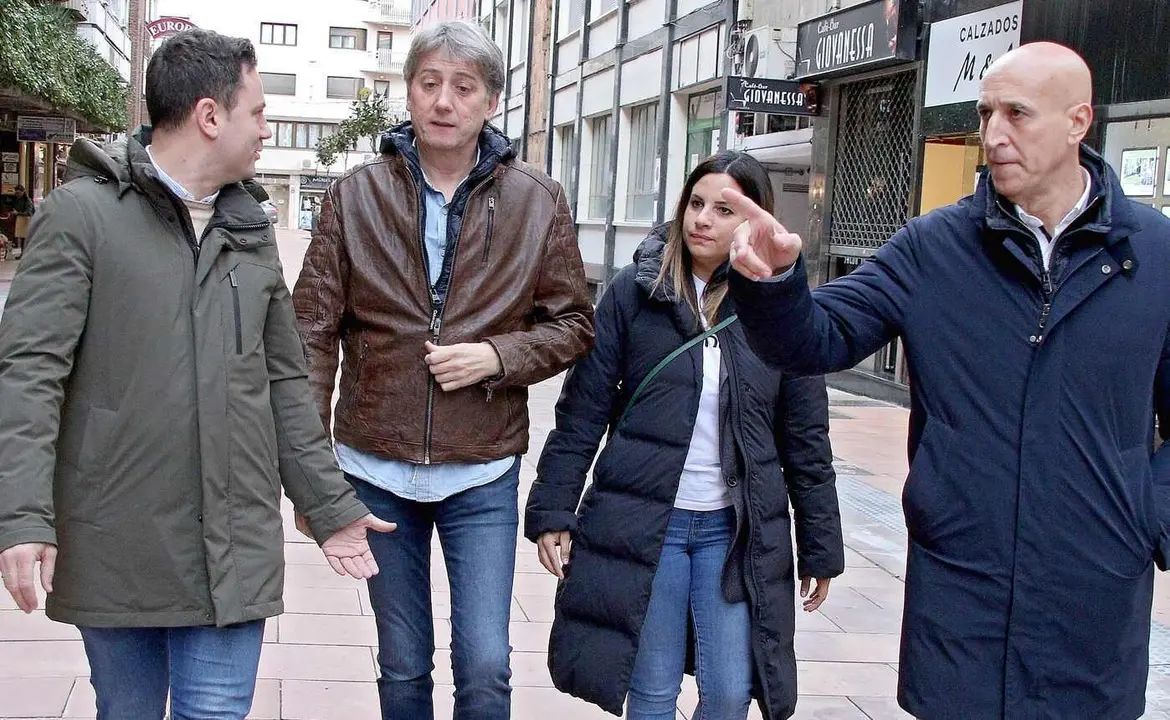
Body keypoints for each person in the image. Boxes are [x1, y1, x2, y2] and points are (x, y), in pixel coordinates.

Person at [725, 42, 1170, 718]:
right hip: (963, 591)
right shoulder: (934, 247)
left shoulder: (1154, 254)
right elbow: (817, 338)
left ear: (1078, 121)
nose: (993, 134)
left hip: (1095, 601)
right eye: (987, 112)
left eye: (1017, 115)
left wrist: (1147, 519)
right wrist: (775, 285)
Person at [0, 29, 395, 719]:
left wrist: (328, 507)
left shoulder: (250, 230)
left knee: (214, 712)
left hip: (232, 541)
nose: (268, 129)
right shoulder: (80, 218)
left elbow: (284, 383)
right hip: (115, 534)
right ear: (211, 116)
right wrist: (24, 516)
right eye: (260, 112)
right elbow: (28, 376)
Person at [292, 20, 594, 720]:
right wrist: (314, 477)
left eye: (463, 87)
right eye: (429, 84)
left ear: (491, 100)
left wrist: (497, 357)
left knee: (485, 665)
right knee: (402, 664)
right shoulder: (355, 195)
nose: (444, 101)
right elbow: (309, 334)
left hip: (480, 469)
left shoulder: (536, 199)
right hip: (375, 466)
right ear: (409, 92)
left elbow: (574, 324)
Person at [524, 151, 844, 719]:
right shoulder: (635, 292)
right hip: (650, 524)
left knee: (727, 694)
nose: (702, 219)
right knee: (651, 693)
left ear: (752, 219)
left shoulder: (778, 307)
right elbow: (583, 409)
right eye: (696, 203)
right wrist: (553, 509)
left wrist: (819, 545)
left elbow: (806, 439)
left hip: (734, 531)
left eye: (723, 209)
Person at [10, 184, 34, 259]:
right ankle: (22, 253)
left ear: (23, 192)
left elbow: (29, 212)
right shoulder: (16, 199)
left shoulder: (27, 200)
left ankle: (24, 254)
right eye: (16, 193)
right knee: (19, 237)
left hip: (25, 220)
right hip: (18, 220)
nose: (17, 195)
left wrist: (18, 213)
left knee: (24, 238)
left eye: (18, 193)